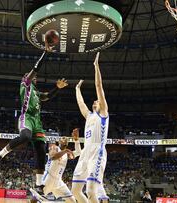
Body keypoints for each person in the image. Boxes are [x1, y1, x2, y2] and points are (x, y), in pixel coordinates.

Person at [0, 41, 68, 192]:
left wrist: (57, 88)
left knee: (40, 149)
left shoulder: (37, 93)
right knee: (25, 136)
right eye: (30, 75)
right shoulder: (25, 84)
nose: (33, 77)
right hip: (27, 117)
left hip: (37, 121)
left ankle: (38, 185)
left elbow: (48, 96)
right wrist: (45, 52)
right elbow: (35, 68)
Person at [72, 52, 109, 203]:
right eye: (94, 101)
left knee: (90, 190)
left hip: (97, 151)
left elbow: (98, 86)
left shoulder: (104, 113)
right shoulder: (89, 116)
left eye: (97, 101)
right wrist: (77, 89)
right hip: (86, 152)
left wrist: (96, 67)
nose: (95, 101)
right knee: (75, 191)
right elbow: (81, 104)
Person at [30, 128, 81, 203]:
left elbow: (78, 152)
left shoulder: (66, 154)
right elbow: (53, 156)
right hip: (48, 178)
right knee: (34, 199)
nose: (65, 139)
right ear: (59, 142)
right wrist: (65, 151)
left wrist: (76, 140)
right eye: (63, 138)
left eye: (66, 138)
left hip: (58, 181)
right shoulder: (54, 148)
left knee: (72, 200)